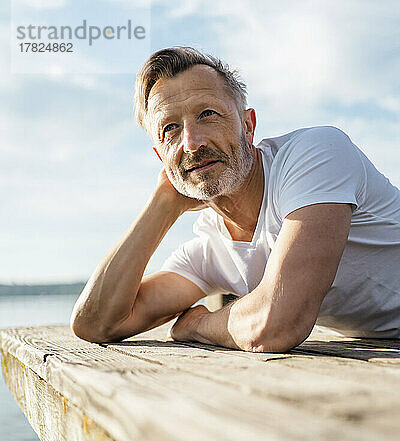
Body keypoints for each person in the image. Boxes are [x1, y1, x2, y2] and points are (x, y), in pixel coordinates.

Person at [70, 47, 400, 352]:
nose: (192, 143)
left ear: (248, 125)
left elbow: (275, 324)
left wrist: (198, 324)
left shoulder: (316, 156)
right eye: (170, 128)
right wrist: (161, 204)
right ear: (160, 156)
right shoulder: (209, 250)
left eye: (208, 114)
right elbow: (95, 322)